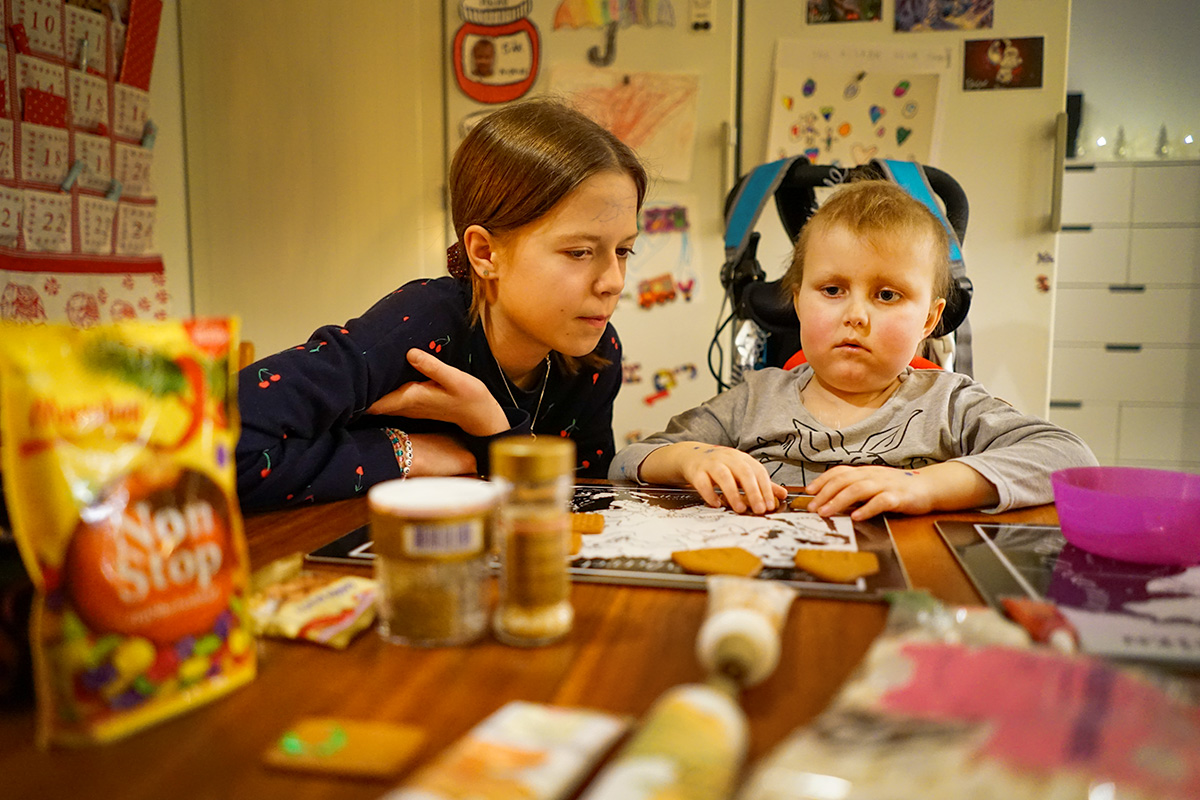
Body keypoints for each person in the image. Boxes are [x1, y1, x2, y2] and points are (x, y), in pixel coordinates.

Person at [237, 98, 647, 510]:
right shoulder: (418, 328)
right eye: (579, 252)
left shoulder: (596, 353)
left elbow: (579, 502)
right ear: (485, 254)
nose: (613, 282)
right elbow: (216, 448)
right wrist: (404, 452)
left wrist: (491, 427)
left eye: (624, 251)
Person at [610, 179, 1097, 519]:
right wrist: (691, 459)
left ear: (929, 318)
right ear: (797, 301)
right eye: (832, 290)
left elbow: (1069, 457)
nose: (856, 315)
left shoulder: (949, 404)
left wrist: (923, 487)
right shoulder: (754, 399)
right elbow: (629, 460)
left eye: (887, 295)